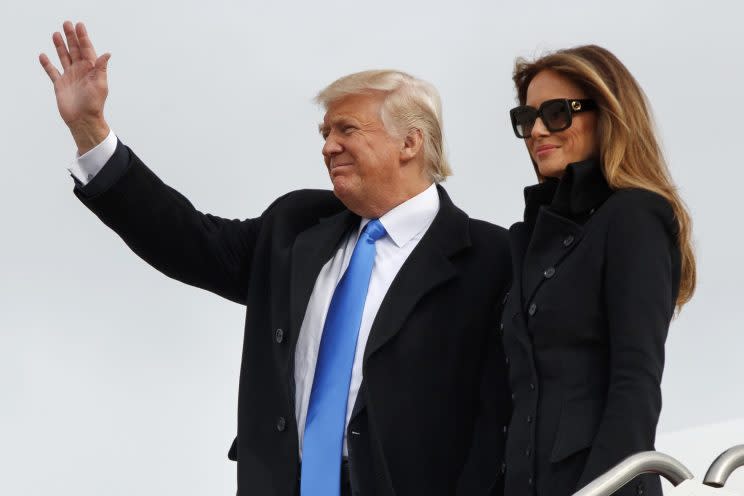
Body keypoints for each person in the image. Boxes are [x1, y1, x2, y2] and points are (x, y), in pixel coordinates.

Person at [39, 21, 512, 496]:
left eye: (346, 129)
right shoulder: (295, 226)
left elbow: (505, 414)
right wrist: (90, 130)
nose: (328, 146)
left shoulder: (493, 258)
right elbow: (186, 240)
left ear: (410, 142)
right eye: (325, 132)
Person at [500, 45, 696, 496]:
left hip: (600, 483)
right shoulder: (526, 240)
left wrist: (600, 491)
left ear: (606, 113)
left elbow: (636, 380)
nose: (537, 130)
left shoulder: (634, 216)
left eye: (556, 112)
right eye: (527, 117)